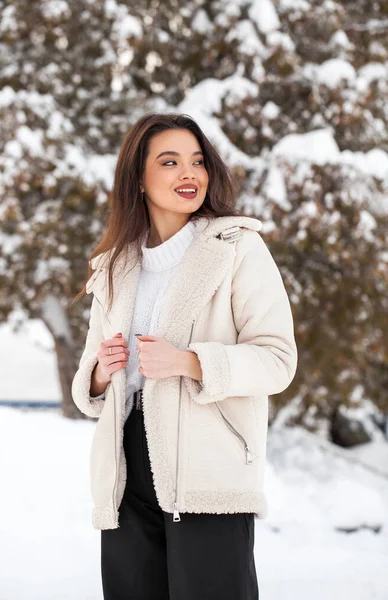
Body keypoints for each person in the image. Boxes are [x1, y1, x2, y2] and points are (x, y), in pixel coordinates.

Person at [71, 112, 297, 600]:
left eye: (197, 161)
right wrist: (99, 375)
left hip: (207, 469)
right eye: (169, 162)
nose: (188, 174)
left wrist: (191, 362)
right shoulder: (115, 266)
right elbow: (88, 379)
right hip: (125, 473)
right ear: (138, 178)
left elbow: (278, 359)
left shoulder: (237, 249)